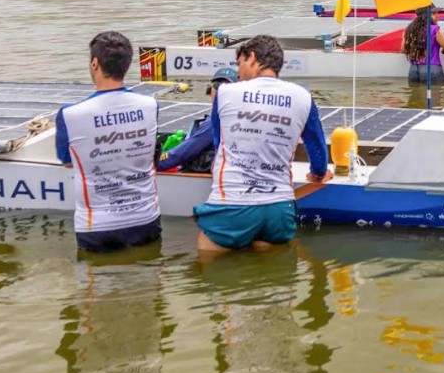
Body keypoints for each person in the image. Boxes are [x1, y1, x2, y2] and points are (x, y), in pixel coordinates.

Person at [194, 34, 332, 253]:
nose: (238, 73)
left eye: (239, 63)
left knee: (207, 249)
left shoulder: (225, 92)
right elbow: (317, 149)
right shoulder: (303, 97)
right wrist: (318, 173)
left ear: (252, 58)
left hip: (232, 204)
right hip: (279, 210)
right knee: (268, 257)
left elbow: (219, 143)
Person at [55, 31, 161, 253]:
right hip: (146, 220)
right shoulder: (150, 105)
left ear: (95, 63)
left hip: (97, 227)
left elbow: (67, 161)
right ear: (127, 65)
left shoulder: (70, 114)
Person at [157, 67, 237, 172]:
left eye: (227, 87)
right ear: (210, 90)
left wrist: (153, 162)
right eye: (217, 85)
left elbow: (179, 154)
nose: (220, 91)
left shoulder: (215, 123)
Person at [401, 5, 444, 83]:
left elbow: (403, 49)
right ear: (426, 16)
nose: (437, 16)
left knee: (415, 91)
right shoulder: (434, 29)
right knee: (438, 90)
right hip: (432, 69)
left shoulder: (410, 29)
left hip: (414, 70)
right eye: (434, 14)